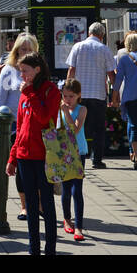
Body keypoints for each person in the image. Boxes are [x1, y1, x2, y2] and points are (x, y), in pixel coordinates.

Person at [6, 52, 61, 256]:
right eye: (20, 72)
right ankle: (33, 249)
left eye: (25, 71)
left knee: (46, 203)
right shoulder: (25, 93)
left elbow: (45, 117)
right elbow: (20, 128)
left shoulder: (50, 91)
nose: (22, 76)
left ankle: (50, 249)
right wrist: (12, 158)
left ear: (37, 70)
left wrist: (29, 93)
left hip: (44, 155)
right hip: (24, 155)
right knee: (29, 204)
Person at [0, 33, 39, 219]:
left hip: (36, 125)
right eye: (23, 49)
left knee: (37, 167)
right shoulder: (9, 70)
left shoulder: (38, 71)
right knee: (22, 168)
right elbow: (0, 99)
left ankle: (38, 203)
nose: (26, 53)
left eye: (29, 50)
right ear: (16, 50)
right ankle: (25, 206)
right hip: (14, 126)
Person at [66, 22, 116, 169]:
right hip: (98, 94)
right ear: (102, 35)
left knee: (77, 126)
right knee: (98, 129)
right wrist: (115, 94)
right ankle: (97, 159)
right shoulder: (104, 49)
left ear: (89, 33)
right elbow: (111, 74)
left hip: (79, 94)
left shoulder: (78, 47)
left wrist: (68, 90)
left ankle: (74, 156)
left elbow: (71, 70)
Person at [111, 31, 137, 169]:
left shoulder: (125, 59)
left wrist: (114, 97)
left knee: (133, 125)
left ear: (128, 44)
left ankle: (135, 154)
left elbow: (118, 80)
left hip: (130, 97)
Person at [59, 78, 89, 242]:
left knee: (77, 190)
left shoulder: (82, 109)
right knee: (66, 188)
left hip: (79, 151)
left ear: (78, 96)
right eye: (65, 96)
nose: (67, 100)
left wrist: (66, 113)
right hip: (63, 153)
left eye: (71, 96)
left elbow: (75, 129)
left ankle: (79, 226)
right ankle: (67, 218)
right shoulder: (60, 109)